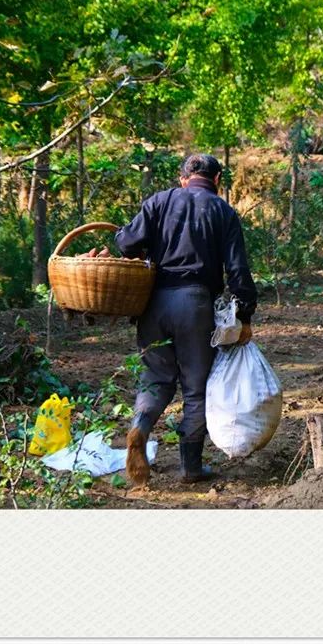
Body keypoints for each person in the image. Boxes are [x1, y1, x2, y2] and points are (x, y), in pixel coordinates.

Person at [115, 154, 257, 486]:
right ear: (218, 179)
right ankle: (191, 467)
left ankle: (140, 427)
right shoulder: (224, 212)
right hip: (196, 305)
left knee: (155, 377)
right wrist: (245, 315)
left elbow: (125, 243)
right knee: (197, 388)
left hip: (154, 304)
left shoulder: (158, 201)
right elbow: (238, 271)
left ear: (183, 178)